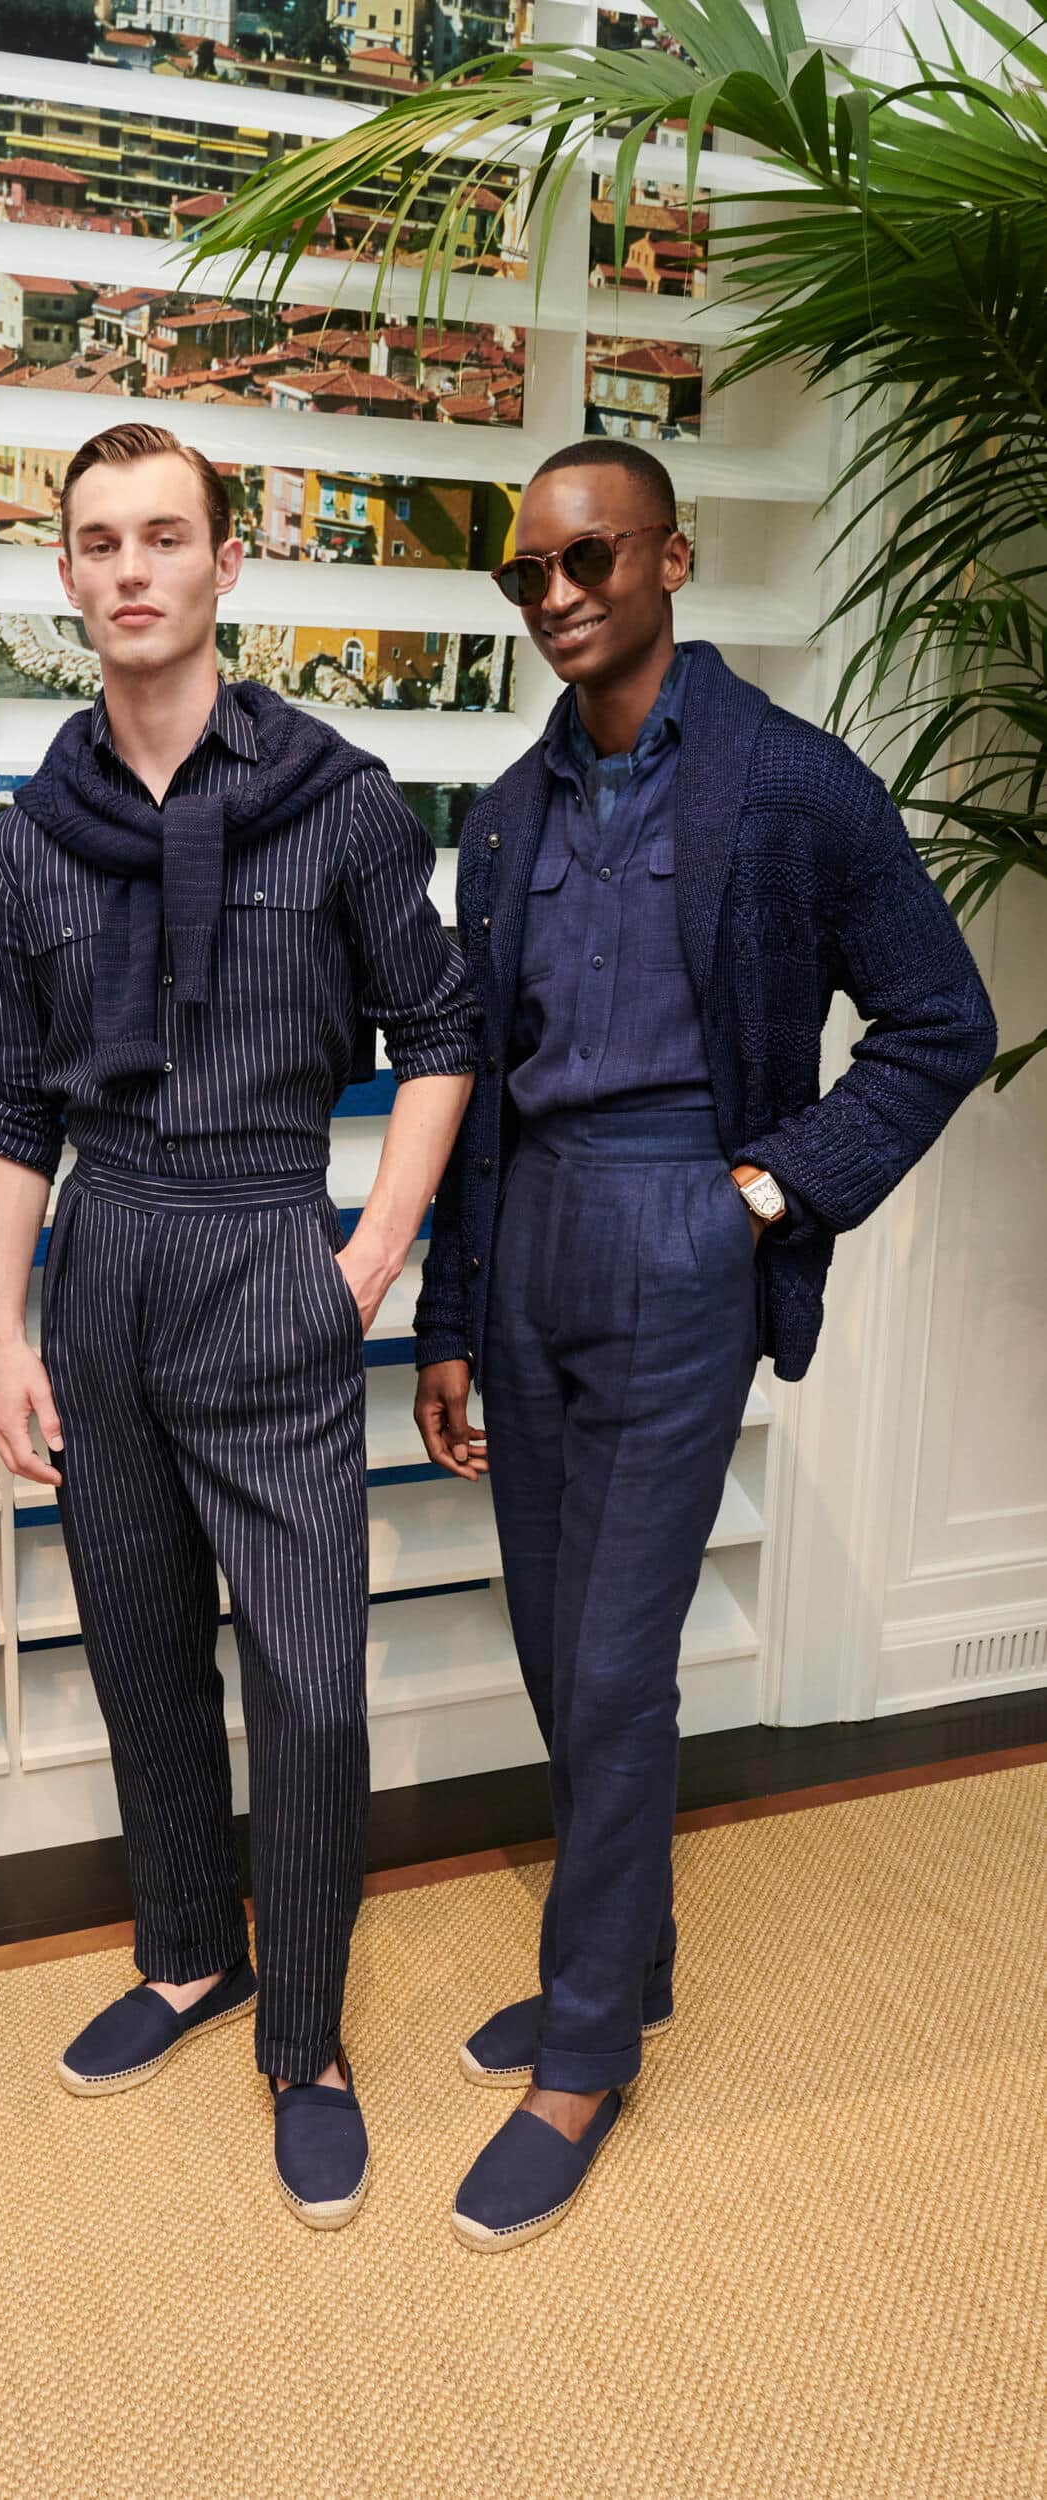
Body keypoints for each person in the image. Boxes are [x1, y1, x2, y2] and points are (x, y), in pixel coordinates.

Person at [413, 437, 997, 2250]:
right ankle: (637, 1953)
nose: (558, 594)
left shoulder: (793, 785)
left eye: (589, 558)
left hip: (683, 1237)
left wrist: (767, 1191)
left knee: (612, 1665)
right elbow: (477, 1084)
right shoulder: (503, 816)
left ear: (668, 560)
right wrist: (450, 1315)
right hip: (527, 1239)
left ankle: (586, 2048)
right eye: (527, 573)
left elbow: (940, 1019)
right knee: (550, 1637)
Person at [0, 420, 477, 2228]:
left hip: (271, 1244)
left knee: (310, 1686)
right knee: (137, 1646)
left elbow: (441, 1029)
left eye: (164, 535)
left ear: (225, 563)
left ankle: (310, 2040)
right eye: (99, 540)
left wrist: (374, 1250)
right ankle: (191, 1950)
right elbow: (13, 1104)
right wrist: (6, 1331)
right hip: (101, 1259)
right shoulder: (31, 841)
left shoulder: (340, 803)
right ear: (66, 576)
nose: (132, 569)